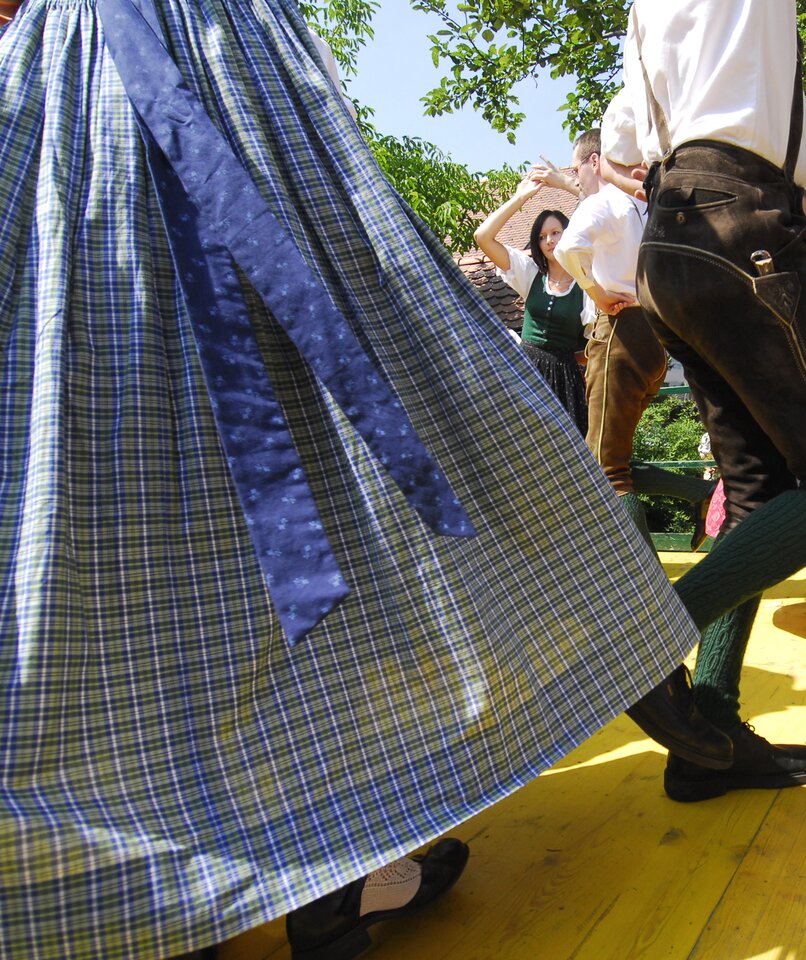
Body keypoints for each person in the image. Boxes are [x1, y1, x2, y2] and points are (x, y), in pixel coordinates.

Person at [0, 1, 731, 957]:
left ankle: (131, 884)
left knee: (95, 477)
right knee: (401, 433)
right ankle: (341, 865)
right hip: (212, 78)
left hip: (70, 111)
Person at [599, 0, 806, 803]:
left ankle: (709, 736)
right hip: (743, 227)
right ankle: (645, 648)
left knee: (753, 497)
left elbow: (626, 145)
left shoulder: (643, 13)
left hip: (665, 244)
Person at [552, 126, 717, 548]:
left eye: (577, 169)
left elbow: (568, 247)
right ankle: (696, 493)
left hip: (620, 333)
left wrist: (598, 293)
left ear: (596, 161)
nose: (578, 179)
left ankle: (642, 582)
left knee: (606, 470)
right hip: (655, 337)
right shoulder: (649, 206)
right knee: (614, 460)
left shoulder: (604, 202)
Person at [473, 177, 593, 435]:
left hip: (565, 382)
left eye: (555, 232)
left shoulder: (587, 286)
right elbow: (482, 237)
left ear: (569, 233)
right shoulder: (530, 274)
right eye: (542, 236)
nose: (549, 240)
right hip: (525, 372)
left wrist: (570, 360)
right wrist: (520, 198)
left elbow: (593, 347)